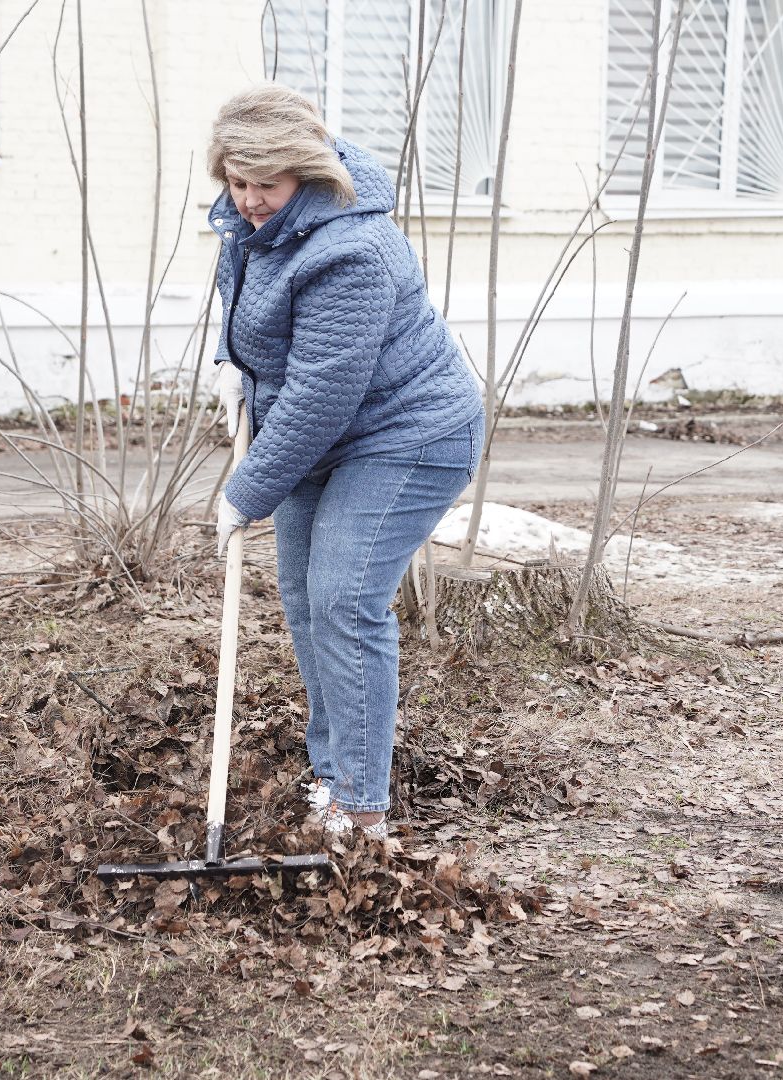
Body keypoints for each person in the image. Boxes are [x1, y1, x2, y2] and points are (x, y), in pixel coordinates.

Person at [205, 85, 484, 840]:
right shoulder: (246, 225)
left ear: (306, 173)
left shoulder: (352, 248)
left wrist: (248, 488)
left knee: (342, 601)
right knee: (304, 603)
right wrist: (236, 368)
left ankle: (360, 809)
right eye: (238, 182)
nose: (251, 200)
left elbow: (325, 390)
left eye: (268, 184)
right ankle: (332, 776)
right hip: (322, 437)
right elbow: (263, 318)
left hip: (407, 436)